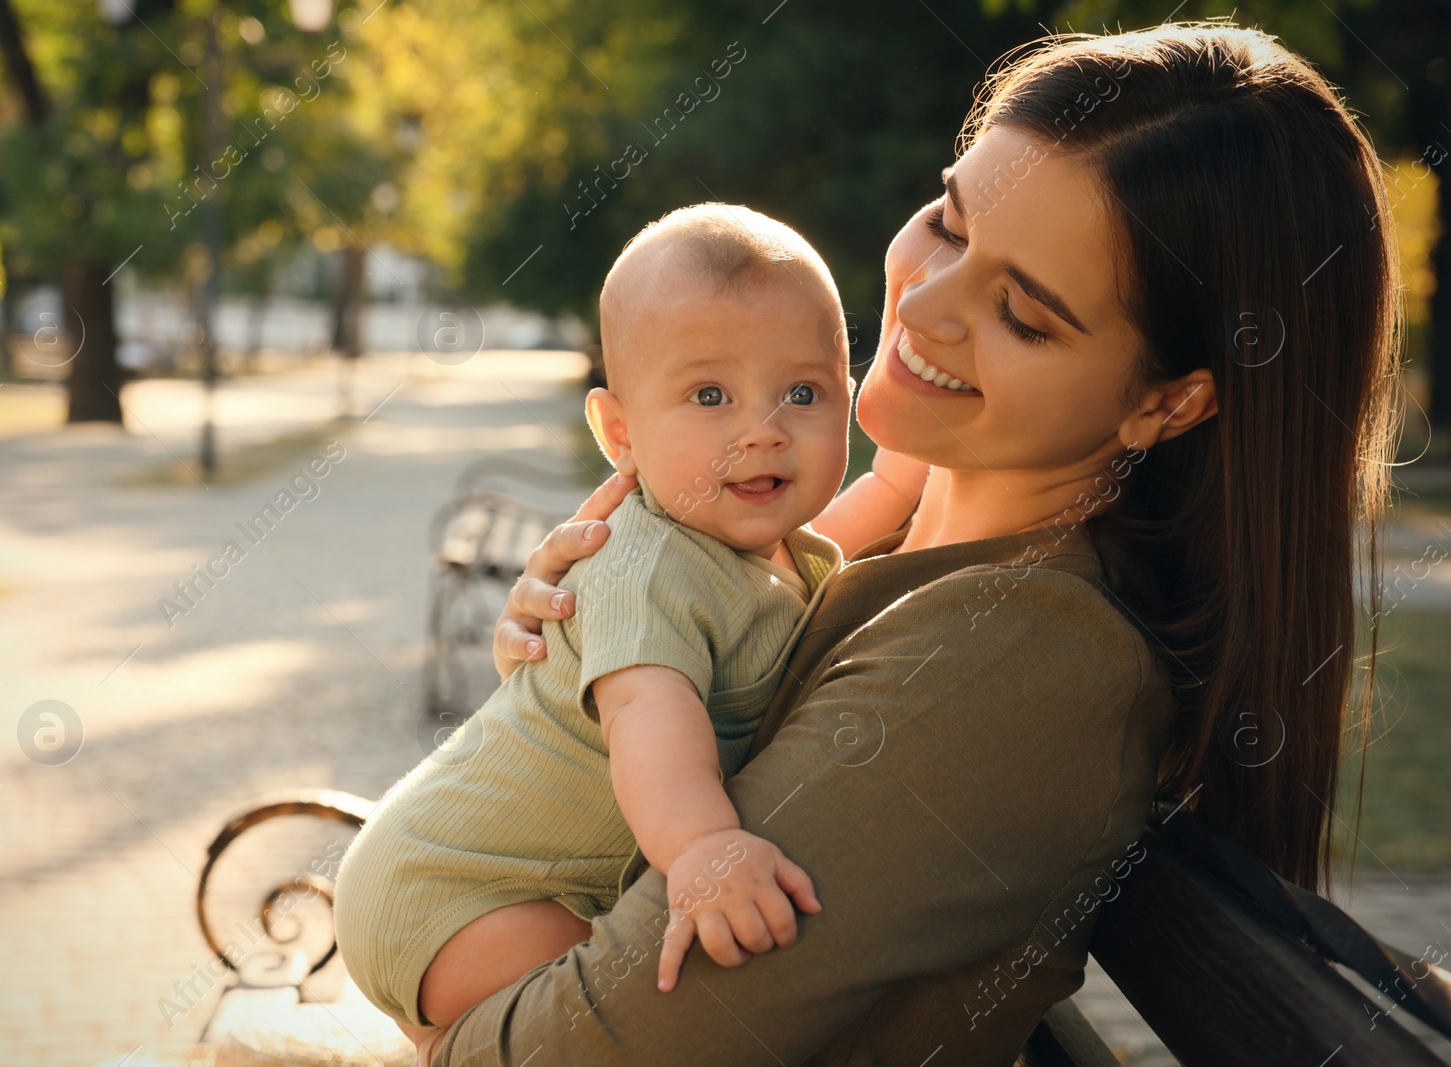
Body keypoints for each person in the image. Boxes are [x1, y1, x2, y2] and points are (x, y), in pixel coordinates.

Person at [415, 19, 1404, 1067]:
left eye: (1021, 312)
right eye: (948, 219)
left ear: (1168, 400)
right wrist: (577, 665)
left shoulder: (1009, 662)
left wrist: (429, 991)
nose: (924, 304)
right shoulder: (896, 555)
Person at [334, 203, 935, 1038]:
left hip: (518, 878)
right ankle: (447, 1041)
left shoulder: (760, 550)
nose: (762, 433)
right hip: (452, 889)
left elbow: (841, 530)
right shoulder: (644, 566)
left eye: (802, 392)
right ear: (621, 431)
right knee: (611, 991)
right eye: (710, 395)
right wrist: (700, 848)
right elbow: (649, 716)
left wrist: (906, 481)